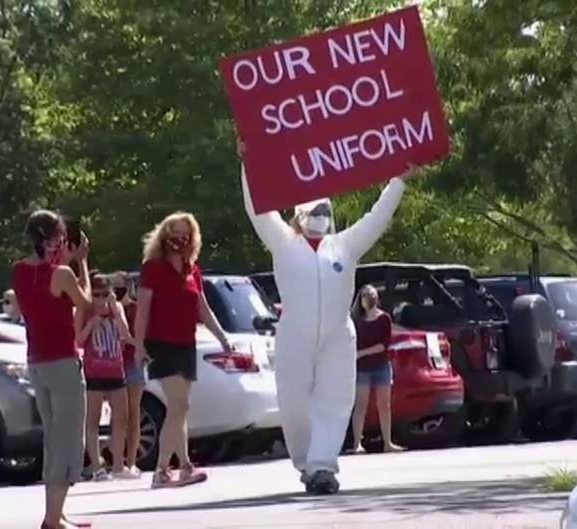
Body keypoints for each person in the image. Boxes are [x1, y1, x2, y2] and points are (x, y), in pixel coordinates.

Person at [239, 140, 414, 494]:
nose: (320, 215)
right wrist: (248, 162)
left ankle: (322, 467)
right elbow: (258, 209)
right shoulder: (283, 242)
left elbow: (376, 218)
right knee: (294, 403)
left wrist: (399, 180)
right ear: (299, 215)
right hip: (294, 335)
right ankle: (305, 460)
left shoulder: (345, 245)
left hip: (337, 335)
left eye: (324, 209)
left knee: (335, 400)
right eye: (313, 209)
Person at [133, 212, 231, 489]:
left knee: (180, 410)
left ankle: (185, 465)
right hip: (160, 343)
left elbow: (202, 307)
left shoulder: (192, 270)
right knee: (179, 404)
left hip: (186, 341)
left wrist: (222, 337)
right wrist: (138, 344)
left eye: (185, 232)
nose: (180, 237)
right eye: (174, 231)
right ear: (164, 234)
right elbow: (143, 310)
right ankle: (162, 470)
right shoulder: (153, 267)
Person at [12, 210, 90, 529]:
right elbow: (84, 302)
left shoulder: (18, 271)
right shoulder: (62, 274)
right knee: (69, 441)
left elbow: (21, 309)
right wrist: (80, 261)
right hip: (62, 364)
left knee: (52, 440)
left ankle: (55, 514)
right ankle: (52, 521)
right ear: (51, 238)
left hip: (37, 364)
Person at [76, 274, 137, 481]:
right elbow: (78, 340)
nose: (101, 299)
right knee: (92, 420)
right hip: (94, 370)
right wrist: (92, 324)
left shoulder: (116, 308)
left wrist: (116, 312)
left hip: (115, 369)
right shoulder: (84, 311)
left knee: (121, 418)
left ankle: (118, 464)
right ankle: (96, 465)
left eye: (105, 294)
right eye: (97, 295)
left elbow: (126, 335)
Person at [349, 284, 403, 454]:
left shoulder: (384, 318)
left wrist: (361, 353)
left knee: (384, 405)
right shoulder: (357, 321)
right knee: (361, 405)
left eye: (371, 294)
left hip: (381, 366)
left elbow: (383, 345)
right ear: (360, 299)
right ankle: (357, 443)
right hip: (362, 368)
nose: (368, 297)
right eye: (365, 295)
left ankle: (388, 442)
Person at [112, 272, 145, 477]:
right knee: (117, 416)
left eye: (119, 285)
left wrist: (129, 340)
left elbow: (140, 338)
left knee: (133, 414)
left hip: (132, 363)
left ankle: (131, 461)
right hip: (111, 365)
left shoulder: (135, 309)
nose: (115, 290)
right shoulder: (109, 309)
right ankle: (115, 462)